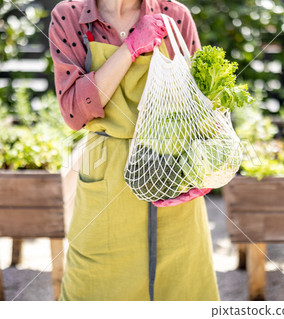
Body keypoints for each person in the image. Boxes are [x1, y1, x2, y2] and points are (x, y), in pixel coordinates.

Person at [48, 0, 219, 301]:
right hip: (106, 173)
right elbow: (74, 112)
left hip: (174, 174)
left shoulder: (175, 16)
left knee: (184, 288)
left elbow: (204, 105)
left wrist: (203, 175)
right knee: (92, 289)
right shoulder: (71, 18)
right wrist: (130, 48)